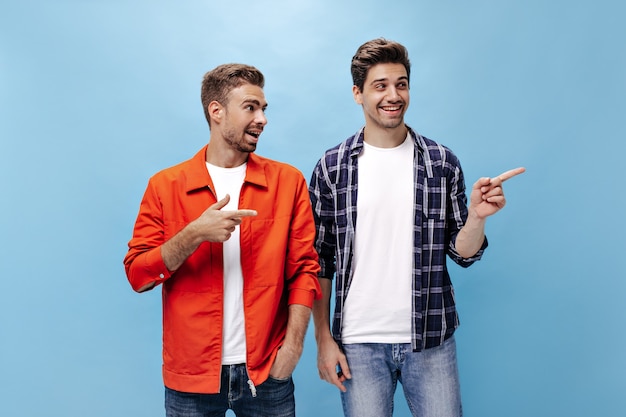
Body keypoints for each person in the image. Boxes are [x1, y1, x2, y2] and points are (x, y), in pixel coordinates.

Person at [309, 38, 525, 417]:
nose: (393, 95)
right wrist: (323, 340)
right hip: (357, 343)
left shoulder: (441, 162)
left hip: (430, 339)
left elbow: (464, 254)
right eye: (380, 86)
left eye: (402, 84)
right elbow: (320, 261)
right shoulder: (332, 167)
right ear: (358, 94)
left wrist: (476, 217)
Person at [124, 63, 321, 417]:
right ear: (216, 111)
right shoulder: (165, 186)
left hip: (266, 374)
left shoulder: (287, 182)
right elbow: (138, 276)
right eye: (250, 107)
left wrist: (293, 347)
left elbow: (304, 271)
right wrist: (194, 233)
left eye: (264, 108)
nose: (262, 118)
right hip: (191, 378)